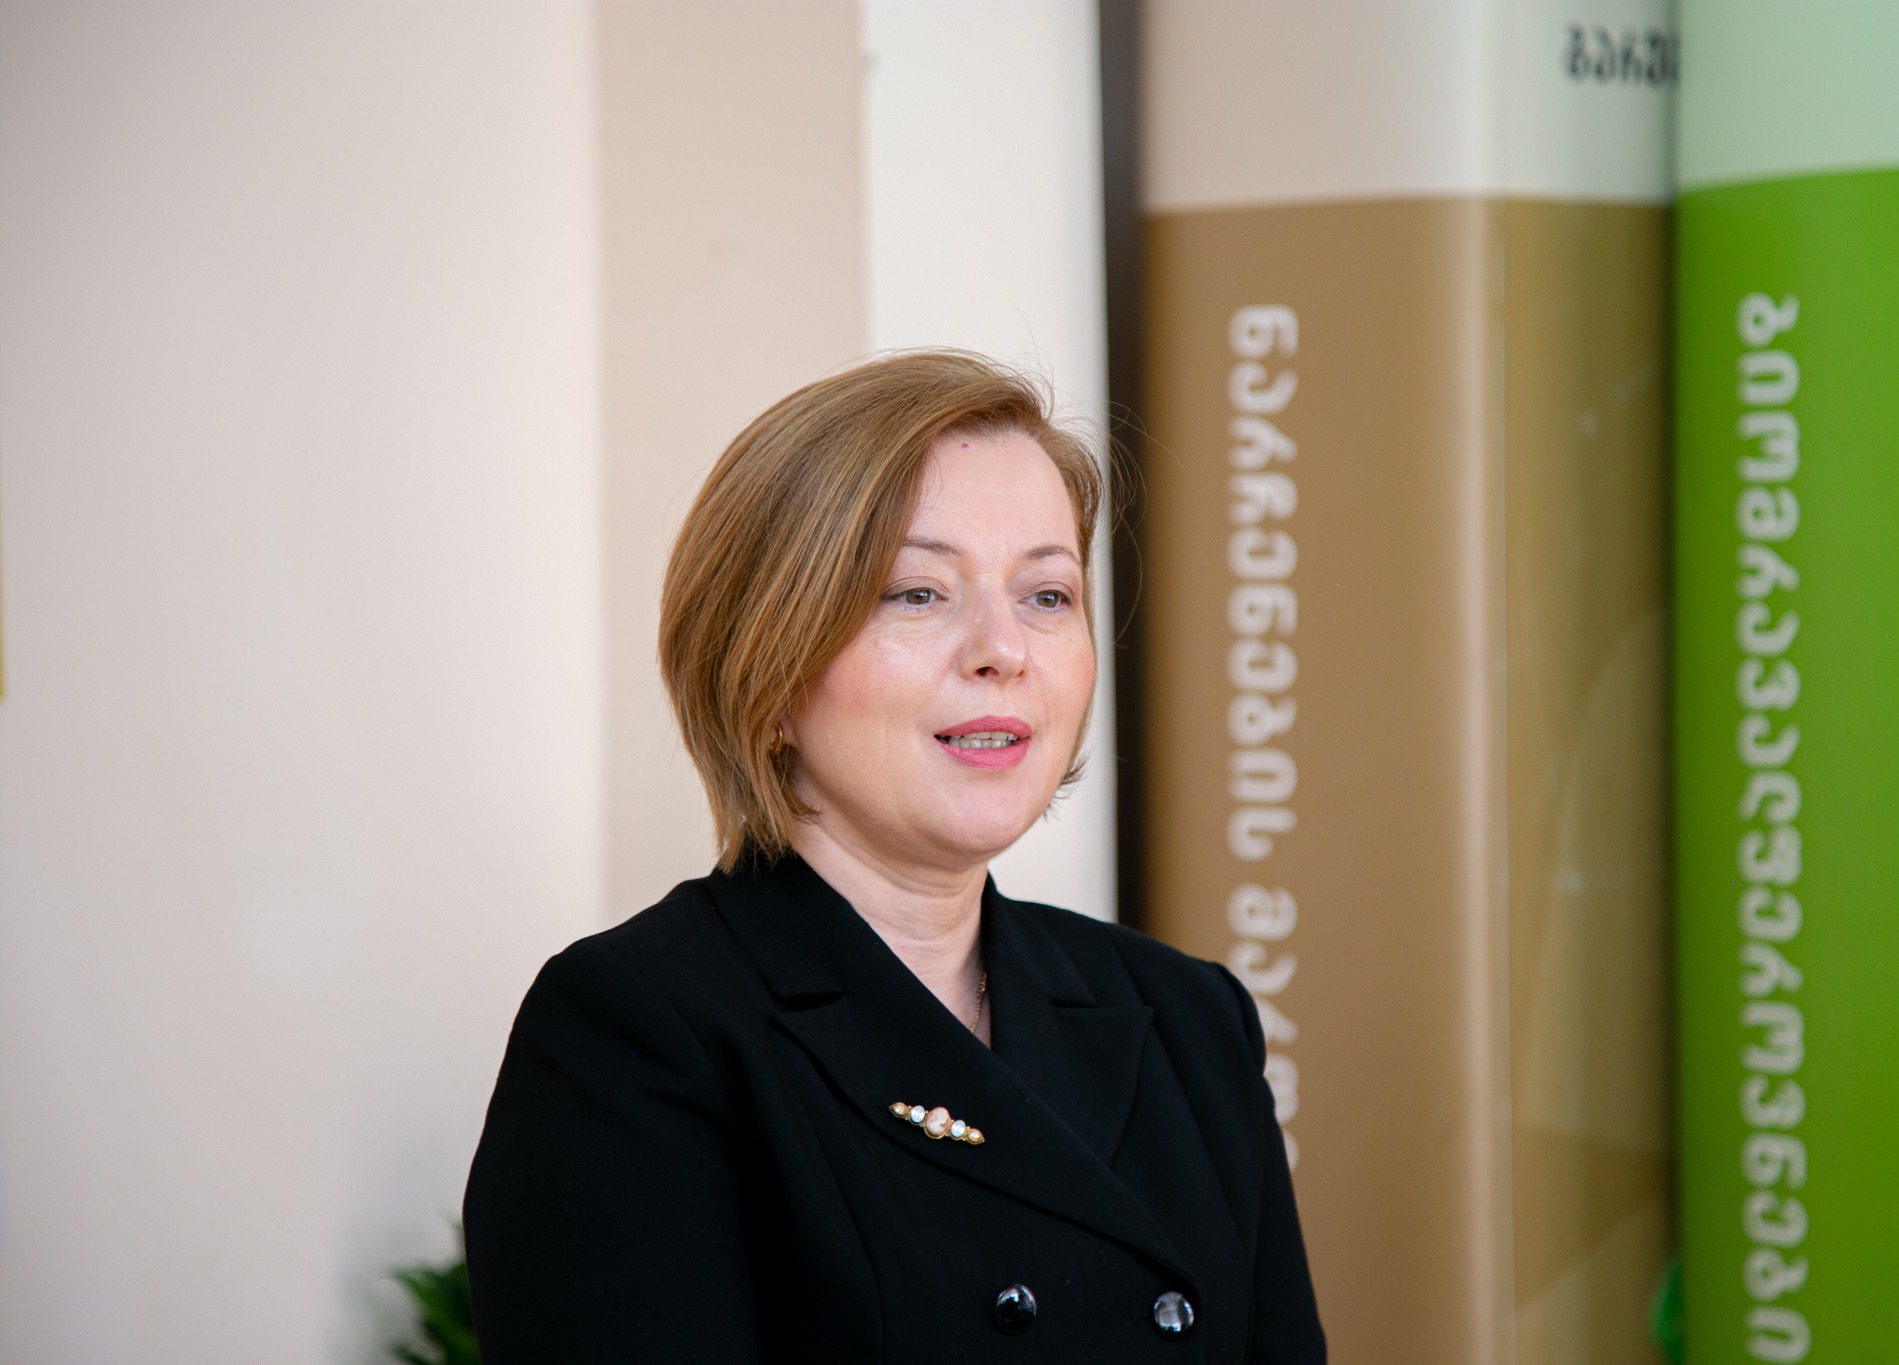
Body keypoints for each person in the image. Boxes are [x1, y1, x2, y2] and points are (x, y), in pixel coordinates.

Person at [463, 351, 1325, 1362]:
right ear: (766, 671)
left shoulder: (1188, 1017)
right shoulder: (638, 1029)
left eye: (1047, 595)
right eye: (918, 593)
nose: (1004, 648)